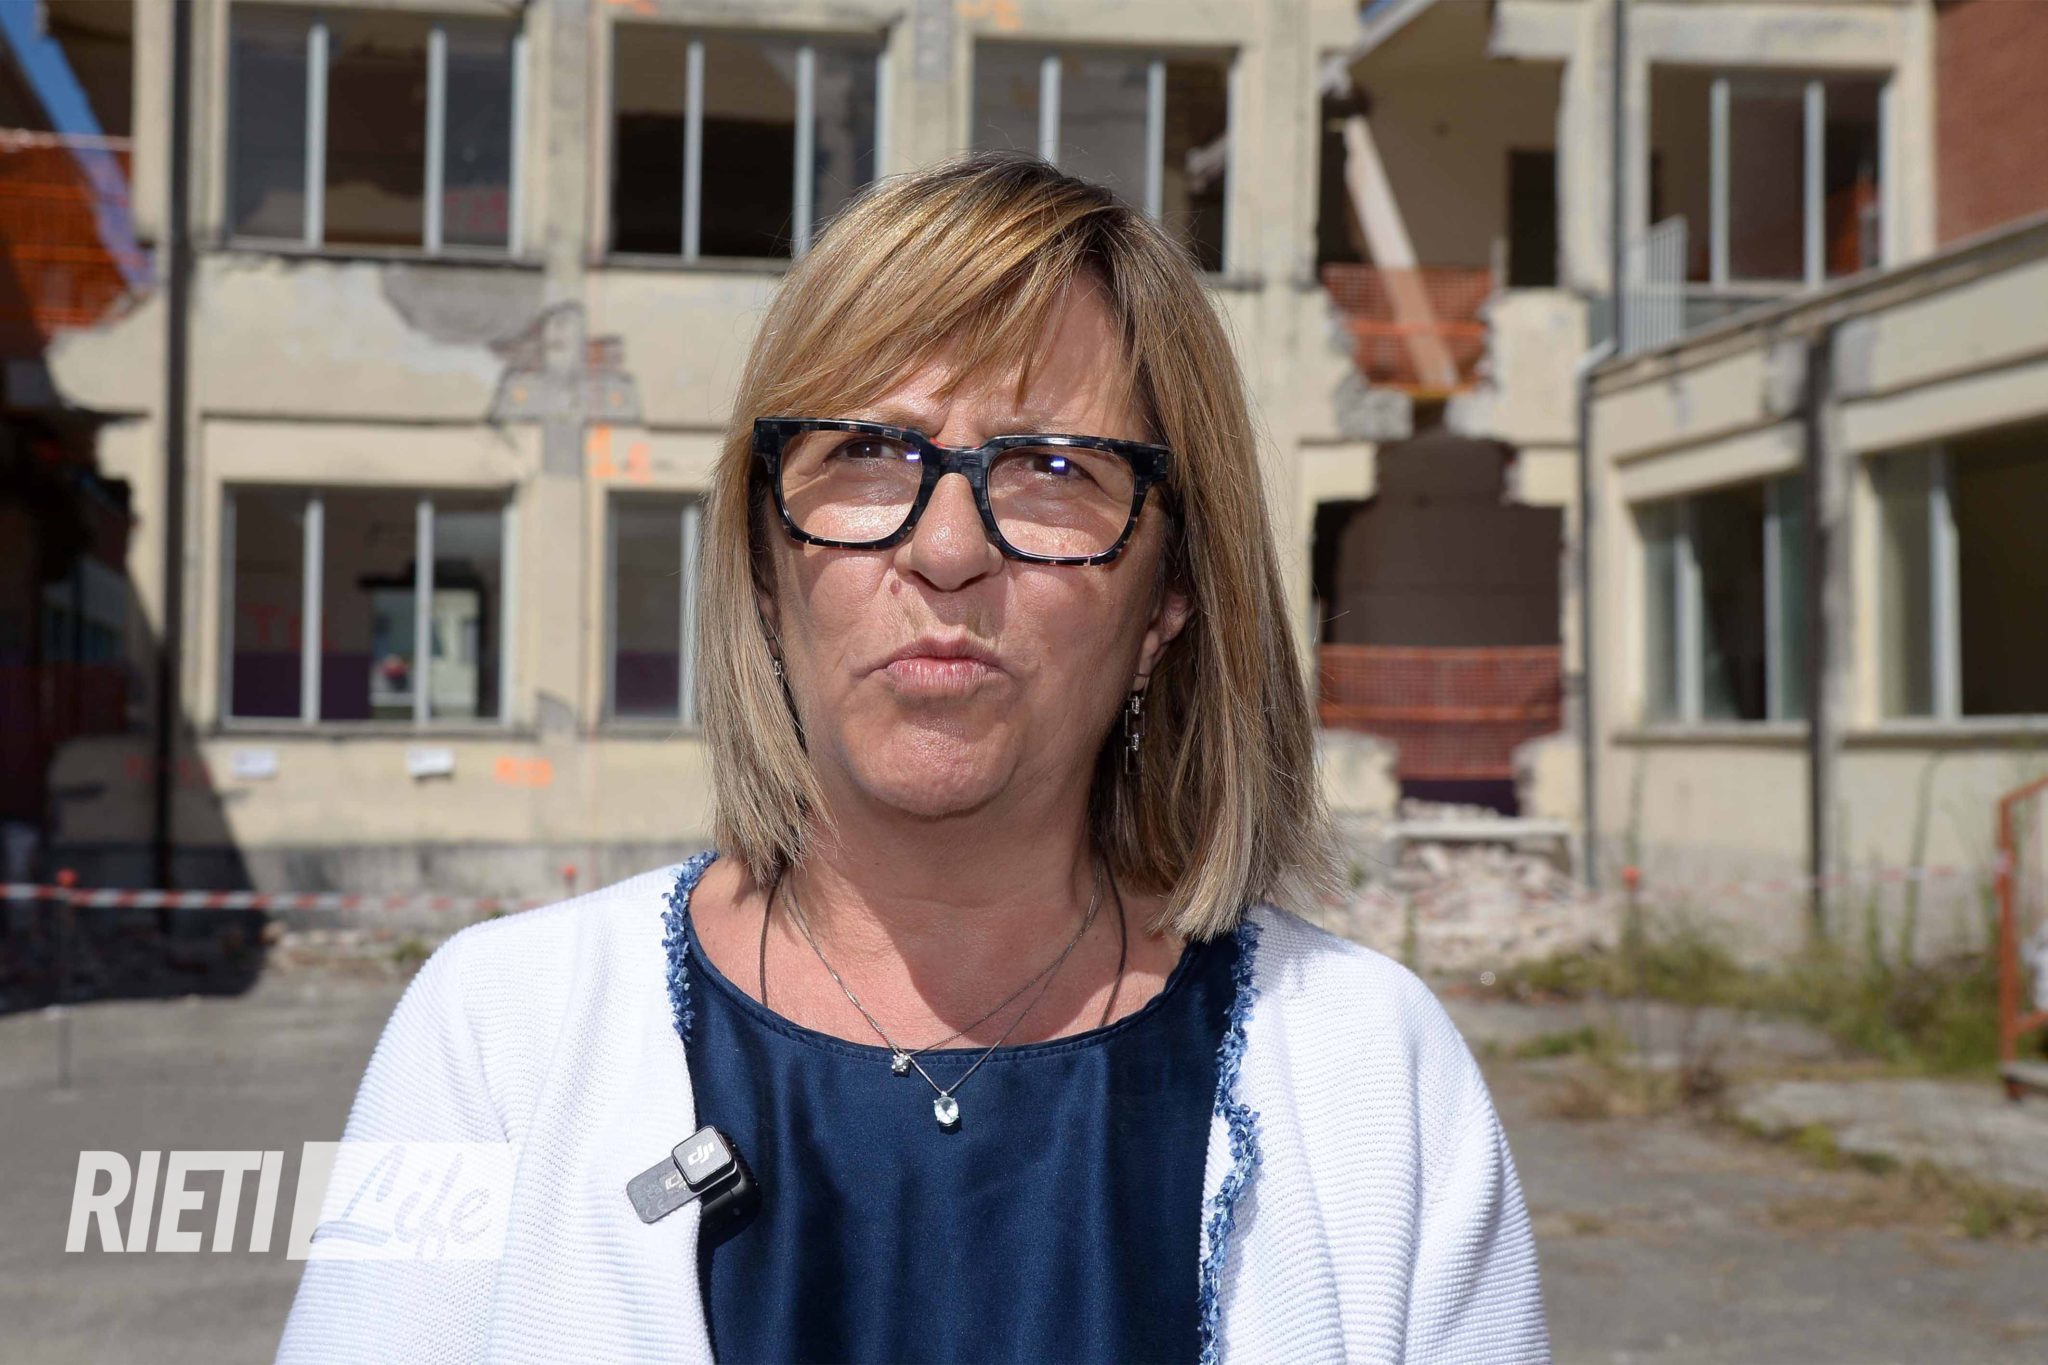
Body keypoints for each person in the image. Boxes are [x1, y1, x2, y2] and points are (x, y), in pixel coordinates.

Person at [277, 152, 1547, 1365]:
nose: (946, 551)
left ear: (1169, 597)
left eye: (1052, 467)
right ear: (763, 563)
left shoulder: (1368, 1074)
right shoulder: (496, 1035)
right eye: (868, 454)